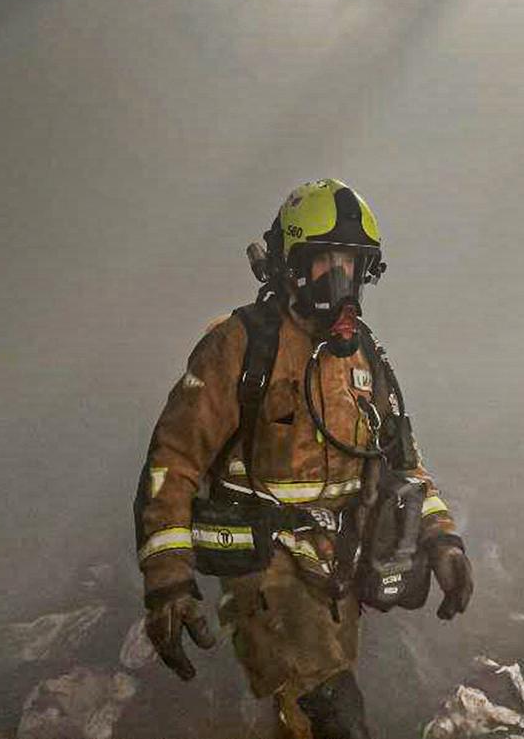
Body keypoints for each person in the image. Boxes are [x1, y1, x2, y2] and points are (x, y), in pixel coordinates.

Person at [133, 178, 473, 738]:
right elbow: (175, 458)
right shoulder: (242, 345)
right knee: (336, 718)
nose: (342, 284)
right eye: (326, 264)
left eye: (354, 266)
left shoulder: (364, 355)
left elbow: (402, 463)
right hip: (265, 571)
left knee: (302, 721)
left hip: (336, 575)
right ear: (290, 265)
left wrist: (442, 538)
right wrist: (168, 580)